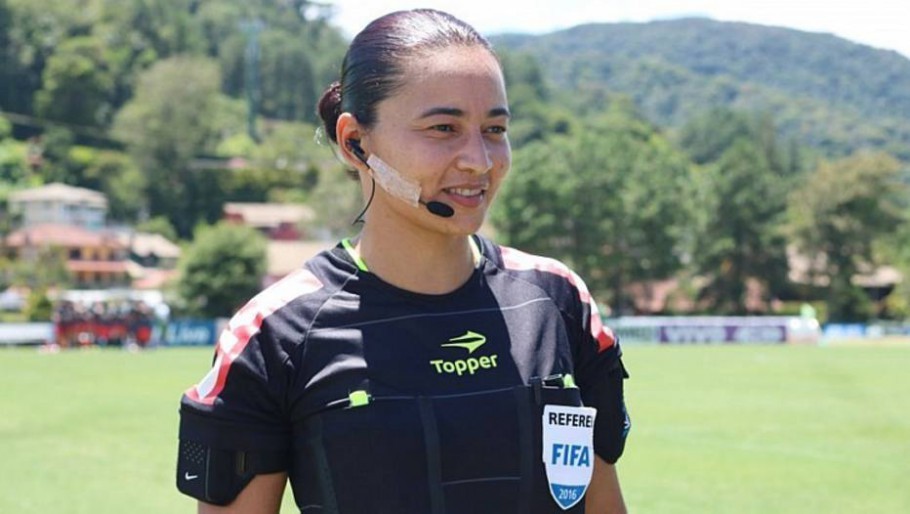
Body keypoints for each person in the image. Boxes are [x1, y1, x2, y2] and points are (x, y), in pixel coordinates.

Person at [176, 8, 630, 513]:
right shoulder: (275, 333)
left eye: (495, 129)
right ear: (355, 142)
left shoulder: (558, 299)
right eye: (443, 128)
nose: (479, 160)